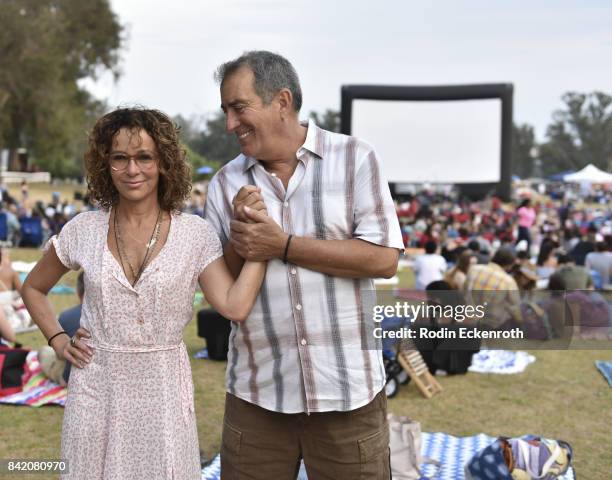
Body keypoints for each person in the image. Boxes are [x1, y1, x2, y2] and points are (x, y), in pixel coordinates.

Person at [22, 107, 267, 479]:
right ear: (106, 164)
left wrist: (261, 250)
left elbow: (234, 305)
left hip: (162, 389)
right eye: (119, 158)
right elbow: (34, 287)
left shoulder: (194, 235)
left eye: (144, 157)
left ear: (164, 162)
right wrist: (57, 339)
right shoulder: (83, 229)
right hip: (95, 387)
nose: (132, 169)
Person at [204, 51, 403, 479]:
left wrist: (284, 245)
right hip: (258, 397)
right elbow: (225, 288)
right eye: (226, 111)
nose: (230, 125)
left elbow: (384, 258)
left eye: (239, 109)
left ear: (282, 101)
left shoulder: (355, 159)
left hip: (348, 395)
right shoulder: (225, 184)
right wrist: (243, 234)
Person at [37, 271, 85, 386]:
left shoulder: (67, 316)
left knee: (43, 352)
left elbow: (60, 353)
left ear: (78, 291)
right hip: (107, 379)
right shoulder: (119, 317)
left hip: (71, 379)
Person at [463, 248, 522, 330]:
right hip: (490, 327)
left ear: (494, 256)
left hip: (466, 319)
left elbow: (464, 292)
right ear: (510, 265)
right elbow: (516, 309)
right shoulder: (508, 281)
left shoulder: (474, 269)